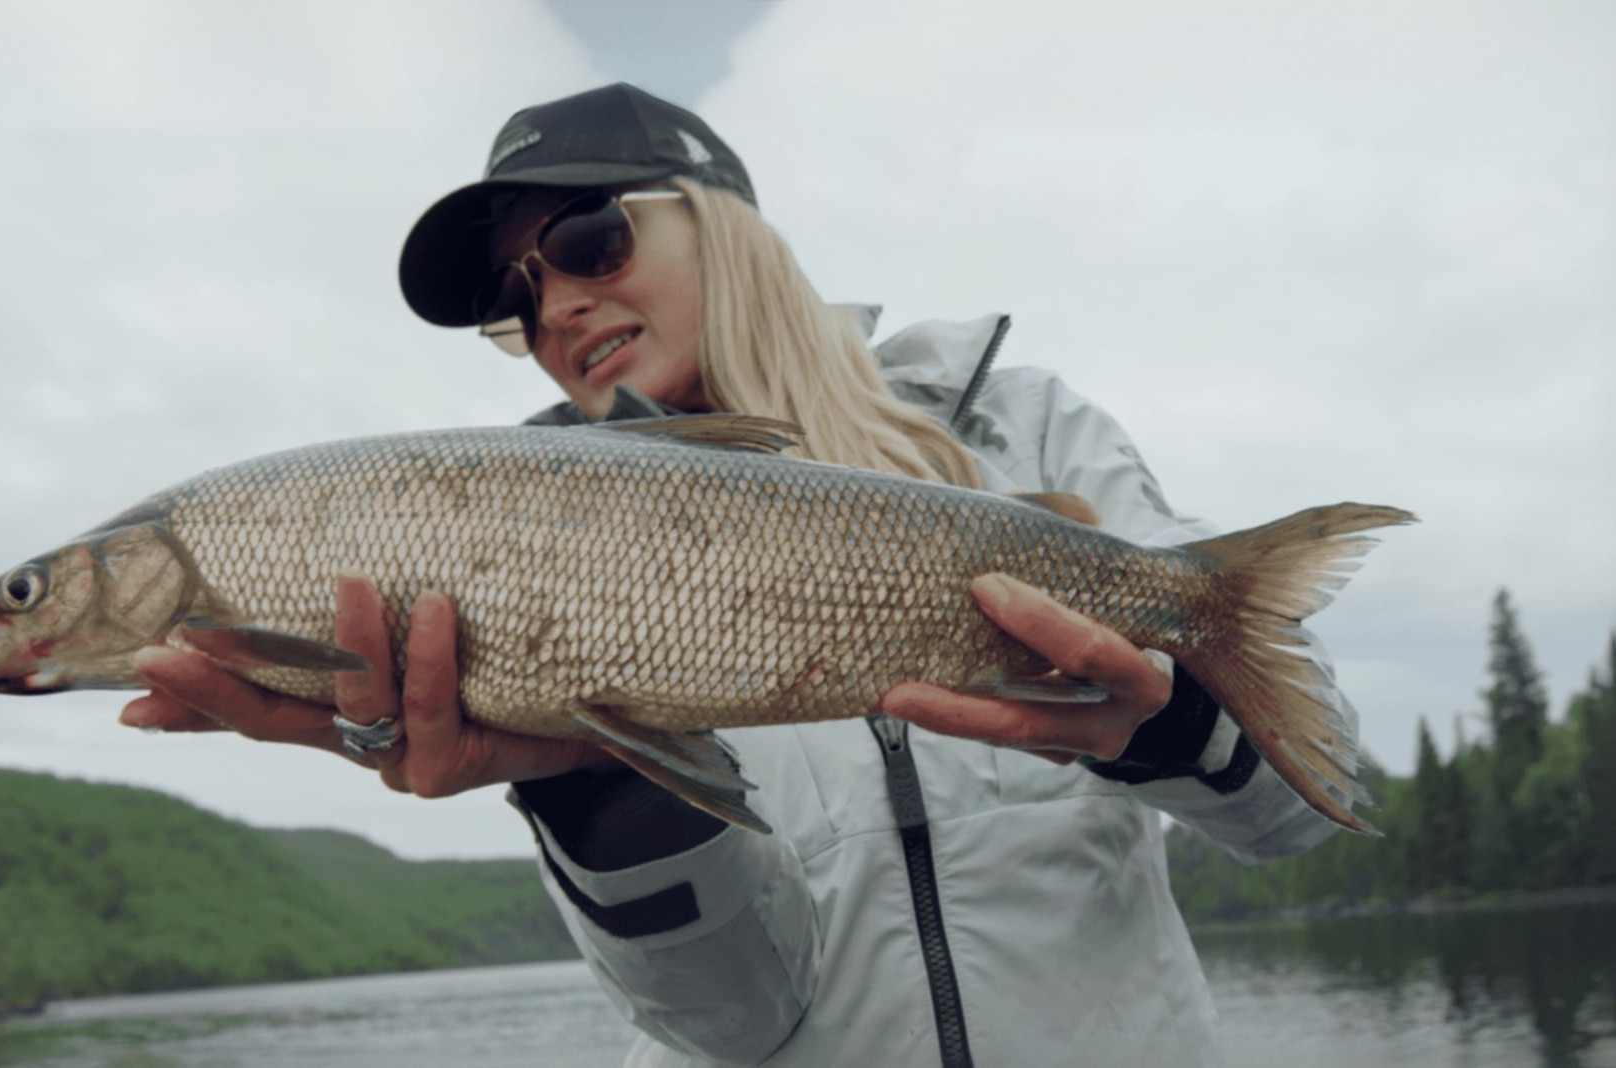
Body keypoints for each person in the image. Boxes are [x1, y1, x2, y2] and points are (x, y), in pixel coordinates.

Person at [118, 84, 1355, 1067]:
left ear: (728, 225)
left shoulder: (1021, 430)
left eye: (587, 240)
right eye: (515, 297)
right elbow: (731, 1024)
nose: (555, 302)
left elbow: (1303, 810)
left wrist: (1165, 722)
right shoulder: (514, 574)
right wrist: (598, 794)